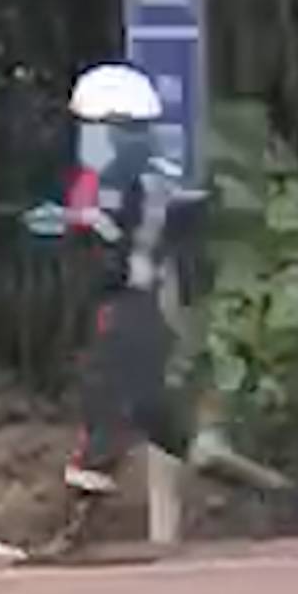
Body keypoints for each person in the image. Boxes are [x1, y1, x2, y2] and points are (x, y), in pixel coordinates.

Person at [45, 63, 188, 551]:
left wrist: (76, 223)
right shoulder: (159, 176)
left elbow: (104, 248)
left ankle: (70, 533)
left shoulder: (110, 182)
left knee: (108, 411)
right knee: (163, 421)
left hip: (126, 308)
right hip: (146, 308)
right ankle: (280, 498)